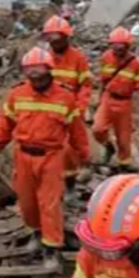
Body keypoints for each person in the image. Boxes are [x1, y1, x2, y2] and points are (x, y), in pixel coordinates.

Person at [0, 48, 91, 258]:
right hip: (23, 155)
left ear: (50, 72)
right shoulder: (17, 95)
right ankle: (36, 232)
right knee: (27, 202)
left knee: (49, 202)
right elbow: (4, 127)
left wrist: (84, 155)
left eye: (40, 74)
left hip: (51, 156)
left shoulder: (65, 97)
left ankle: (52, 246)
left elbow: (77, 131)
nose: (35, 79)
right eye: (30, 74)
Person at [43, 15, 93, 181]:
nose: (54, 43)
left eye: (57, 38)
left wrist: (80, 107)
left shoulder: (78, 58)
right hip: (51, 111)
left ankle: (74, 177)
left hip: (72, 110)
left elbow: (85, 84)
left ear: (66, 37)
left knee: (74, 145)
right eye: (51, 39)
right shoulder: (45, 58)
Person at [94, 27, 139, 168]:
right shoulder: (106, 57)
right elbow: (103, 81)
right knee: (98, 129)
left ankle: (123, 166)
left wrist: (137, 112)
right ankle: (108, 146)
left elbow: (138, 89)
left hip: (125, 102)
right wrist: (99, 100)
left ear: (127, 46)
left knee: (124, 139)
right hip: (108, 98)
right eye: (115, 45)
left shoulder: (135, 64)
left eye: (121, 46)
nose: (118, 49)